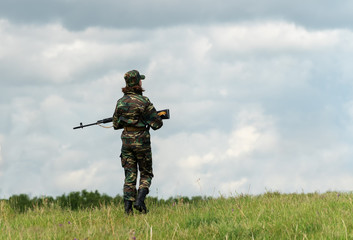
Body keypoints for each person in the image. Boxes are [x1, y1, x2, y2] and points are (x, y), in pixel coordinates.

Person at [112, 70, 163, 215]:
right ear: (138, 83)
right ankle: (140, 200)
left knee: (130, 176)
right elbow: (157, 124)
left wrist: (128, 120)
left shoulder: (120, 102)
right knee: (146, 173)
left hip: (126, 141)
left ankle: (128, 210)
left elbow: (115, 124)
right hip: (142, 141)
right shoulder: (144, 101)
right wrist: (151, 118)